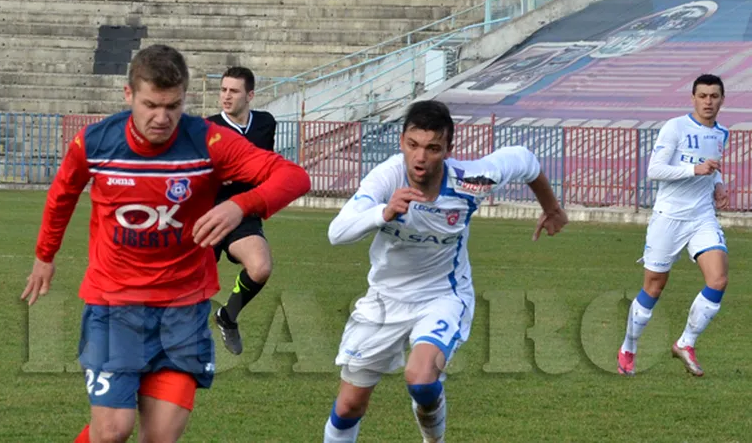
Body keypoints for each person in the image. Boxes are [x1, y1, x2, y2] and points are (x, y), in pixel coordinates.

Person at [20, 44, 310, 443]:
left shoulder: (208, 141)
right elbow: (62, 194)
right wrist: (44, 256)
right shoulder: (96, 142)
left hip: (183, 313)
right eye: (150, 105)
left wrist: (241, 206)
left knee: (159, 438)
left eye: (172, 106)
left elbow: (293, 176)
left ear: (185, 98)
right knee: (112, 432)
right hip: (114, 307)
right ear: (129, 95)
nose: (161, 117)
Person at [322, 100, 568, 442]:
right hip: (384, 299)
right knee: (349, 406)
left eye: (432, 148)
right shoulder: (387, 177)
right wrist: (384, 212)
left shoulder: (472, 181)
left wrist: (552, 208)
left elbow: (526, 161)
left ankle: (433, 439)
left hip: (443, 295)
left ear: (448, 150)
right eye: (413, 145)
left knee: (421, 380)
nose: (420, 157)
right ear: (402, 143)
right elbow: (337, 233)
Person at [618, 74, 729, 377]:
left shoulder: (721, 132)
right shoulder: (675, 127)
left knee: (718, 280)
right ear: (693, 98)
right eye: (703, 96)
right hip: (669, 216)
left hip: (702, 216)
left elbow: (713, 167)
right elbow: (655, 170)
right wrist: (695, 169)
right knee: (654, 286)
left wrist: (718, 184)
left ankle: (686, 342)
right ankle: (629, 346)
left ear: (722, 99)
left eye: (714, 96)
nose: (708, 101)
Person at [206, 66, 278, 355]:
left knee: (260, 268)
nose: (226, 96)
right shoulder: (208, 128)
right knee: (189, 288)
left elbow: (265, 165)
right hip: (207, 215)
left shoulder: (265, 123)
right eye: (223, 90)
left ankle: (227, 316)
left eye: (233, 91)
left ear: (250, 95)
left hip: (243, 213)